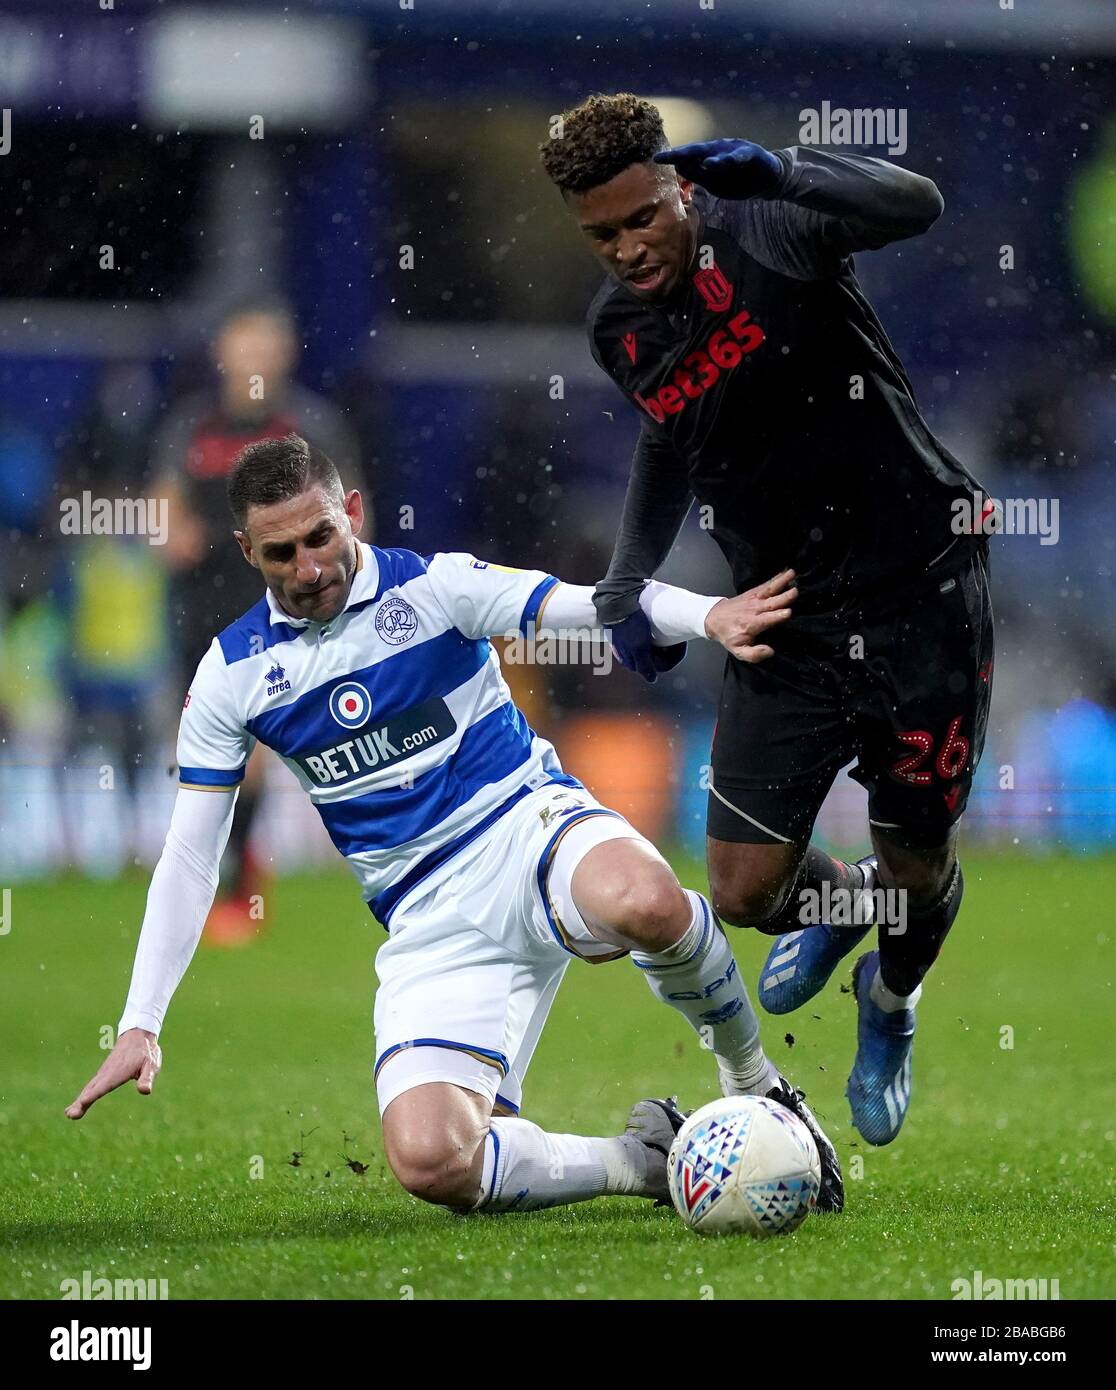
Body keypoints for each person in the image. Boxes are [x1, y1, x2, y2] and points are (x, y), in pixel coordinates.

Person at [65, 432, 843, 1216]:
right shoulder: (232, 675)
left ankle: (761, 1089)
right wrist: (141, 1022)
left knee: (646, 902)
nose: (308, 567)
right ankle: (649, 1161)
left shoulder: (436, 590)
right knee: (433, 1162)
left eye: (320, 536)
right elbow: (193, 858)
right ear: (245, 551)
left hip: (525, 824)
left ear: (353, 512)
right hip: (427, 917)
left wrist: (712, 616)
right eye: (281, 553)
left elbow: (598, 602)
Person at [540, 94, 994, 1145]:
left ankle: (891, 1002)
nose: (624, 250)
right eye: (599, 235)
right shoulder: (619, 327)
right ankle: (851, 913)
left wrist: (789, 167)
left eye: (639, 219)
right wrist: (626, 579)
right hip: (784, 610)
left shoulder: (772, 219)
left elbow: (916, 203)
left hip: (919, 580)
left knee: (917, 860)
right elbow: (670, 438)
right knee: (744, 888)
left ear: (680, 184)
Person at [152, 298, 369, 943]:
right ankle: (231, 872)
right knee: (213, 749)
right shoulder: (192, 426)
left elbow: (353, 515)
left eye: (267, 344)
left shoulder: (310, 426)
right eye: (244, 343)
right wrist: (169, 532)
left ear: (286, 352)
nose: (255, 357)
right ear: (223, 351)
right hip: (202, 611)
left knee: (273, 747)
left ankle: (246, 877)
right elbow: (162, 515)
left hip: (286, 606)